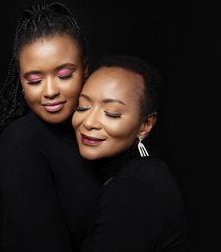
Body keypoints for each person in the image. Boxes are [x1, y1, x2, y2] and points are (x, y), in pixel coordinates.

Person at [0, 2, 101, 252]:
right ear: (22, 83)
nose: (50, 92)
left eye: (64, 75)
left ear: (85, 70)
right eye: (34, 80)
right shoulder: (21, 146)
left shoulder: (94, 130)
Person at [72, 55, 189, 251]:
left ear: (145, 125)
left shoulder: (134, 189)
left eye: (111, 113)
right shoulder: (140, 172)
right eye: (83, 106)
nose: (89, 122)